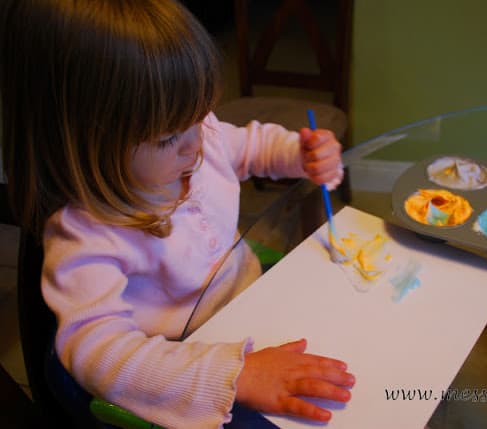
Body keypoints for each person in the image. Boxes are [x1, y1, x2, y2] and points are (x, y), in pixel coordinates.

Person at [0, 1, 354, 428]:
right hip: (183, 363)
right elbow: (98, 353)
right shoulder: (86, 234)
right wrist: (233, 373)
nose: (197, 145)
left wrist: (299, 154)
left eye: (199, 116)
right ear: (78, 142)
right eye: (168, 138)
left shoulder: (196, 138)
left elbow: (252, 147)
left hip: (249, 301)